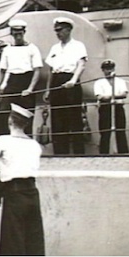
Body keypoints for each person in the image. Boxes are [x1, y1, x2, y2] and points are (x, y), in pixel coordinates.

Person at [0, 104, 45, 256]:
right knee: (33, 237)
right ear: (26, 124)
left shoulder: (4, 141)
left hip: (14, 192)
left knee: (13, 239)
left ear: (10, 121)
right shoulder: (34, 144)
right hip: (32, 191)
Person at [0, 19, 42, 134]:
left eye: (20, 33)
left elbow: (37, 70)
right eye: (15, 33)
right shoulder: (8, 50)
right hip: (12, 82)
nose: (18, 36)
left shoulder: (32, 48)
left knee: (26, 117)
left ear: (24, 32)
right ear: (11, 33)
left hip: (26, 81)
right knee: (4, 115)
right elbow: (2, 71)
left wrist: (30, 89)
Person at [43, 17, 87, 155]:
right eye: (56, 31)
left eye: (60, 30)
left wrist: (74, 80)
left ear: (68, 29)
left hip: (70, 80)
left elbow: (81, 64)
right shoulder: (55, 48)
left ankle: (78, 153)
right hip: (57, 81)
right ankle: (60, 153)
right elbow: (50, 70)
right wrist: (48, 89)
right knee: (57, 118)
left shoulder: (78, 46)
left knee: (74, 118)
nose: (58, 33)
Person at [93, 59, 129, 154]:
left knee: (120, 130)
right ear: (103, 70)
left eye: (110, 68)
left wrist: (109, 96)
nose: (109, 71)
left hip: (118, 107)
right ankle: (104, 154)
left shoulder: (120, 81)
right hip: (105, 108)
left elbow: (124, 94)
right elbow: (100, 96)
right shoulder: (99, 82)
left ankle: (123, 154)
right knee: (105, 132)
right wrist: (112, 96)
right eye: (106, 69)